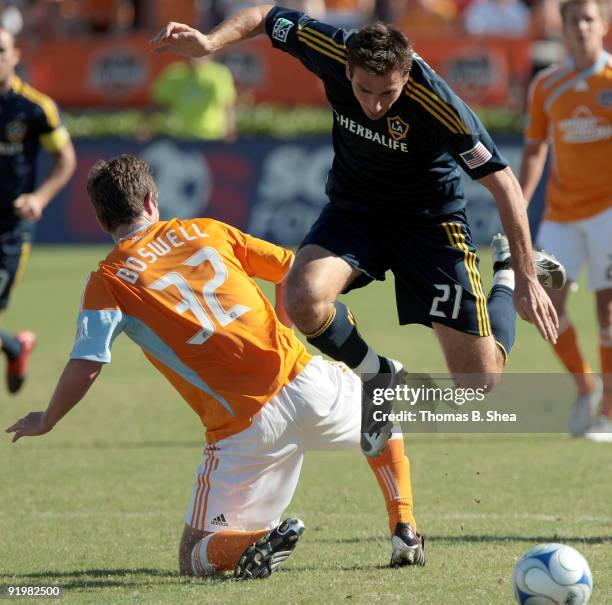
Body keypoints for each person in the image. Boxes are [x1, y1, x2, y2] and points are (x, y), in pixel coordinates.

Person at [151, 6, 565, 453]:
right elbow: (267, 17)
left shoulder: (440, 104)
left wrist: (524, 278)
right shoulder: (331, 47)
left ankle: (501, 268)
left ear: (406, 75)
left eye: (388, 93)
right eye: (364, 90)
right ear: (347, 67)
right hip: (356, 210)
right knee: (302, 298)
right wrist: (211, 42)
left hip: (428, 222)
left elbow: (503, 182)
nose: (374, 104)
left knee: (476, 382)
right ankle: (377, 374)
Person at [6, 154, 425, 578]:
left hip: (243, 430)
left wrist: (48, 418)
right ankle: (403, 525)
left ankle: (253, 543)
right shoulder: (205, 230)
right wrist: (284, 326)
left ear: (101, 221)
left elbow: (86, 364)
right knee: (382, 400)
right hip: (305, 381)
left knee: (194, 555)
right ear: (151, 200)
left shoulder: (108, 280)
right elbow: (292, 272)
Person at [519, 0, 612, 441]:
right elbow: (536, 147)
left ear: (604, 25)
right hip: (560, 212)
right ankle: (585, 386)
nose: (581, 29)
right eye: (573, 21)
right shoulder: (546, 85)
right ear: (564, 27)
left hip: (608, 212)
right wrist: (519, 199)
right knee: (546, 308)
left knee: (607, 309)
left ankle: (609, 414)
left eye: (589, 20)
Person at [0, 26, 76, 394]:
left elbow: (65, 159)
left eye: (0, 50)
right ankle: (16, 346)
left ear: (15, 54)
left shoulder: (34, 108)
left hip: (9, 229)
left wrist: (39, 198)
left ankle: (15, 347)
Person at [151, 55, 237, 141]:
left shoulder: (219, 73)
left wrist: (230, 130)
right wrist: (150, 126)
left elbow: (227, 105)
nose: (194, 57)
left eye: (198, 52)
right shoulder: (175, 72)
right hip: (180, 135)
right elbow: (160, 105)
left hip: (212, 136)